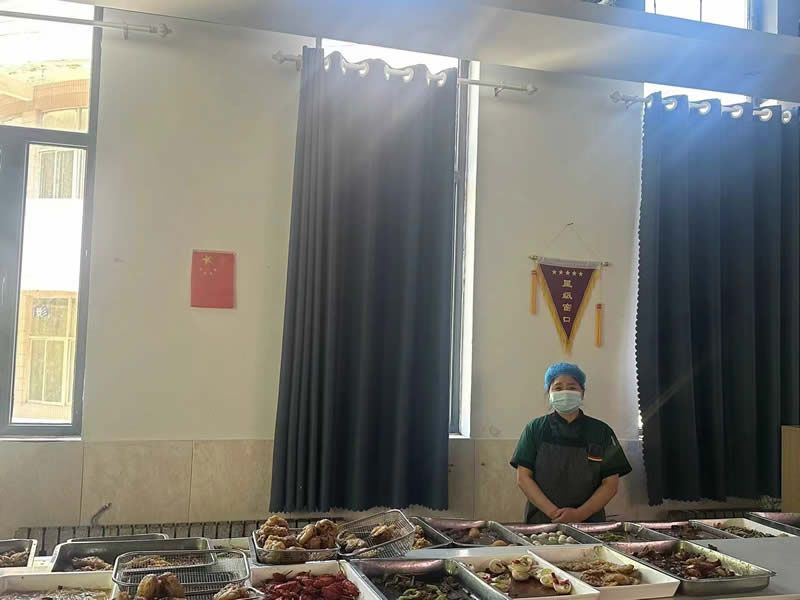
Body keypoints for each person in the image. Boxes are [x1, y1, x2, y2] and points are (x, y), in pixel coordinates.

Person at [510, 362, 632, 524]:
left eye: (572, 387)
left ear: (582, 393)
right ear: (549, 393)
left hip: (589, 522)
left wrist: (579, 514)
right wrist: (554, 513)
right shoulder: (535, 429)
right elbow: (524, 478)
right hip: (543, 521)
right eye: (558, 388)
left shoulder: (601, 431)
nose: (565, 392)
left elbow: (610, 484)